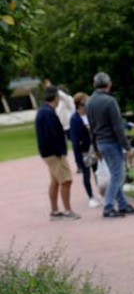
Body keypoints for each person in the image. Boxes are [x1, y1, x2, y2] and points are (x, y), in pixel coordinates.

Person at [86, 72, 134, 219]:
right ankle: (108, 206)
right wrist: (127, 147)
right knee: (118, 175)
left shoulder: (90, 102)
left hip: (100, 141)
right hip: (111, 142)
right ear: (109, 84)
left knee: (115, 174)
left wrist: (95, 147)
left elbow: (91, 127)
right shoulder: (110, 101)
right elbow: (117, 127)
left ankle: (122, 204)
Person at [36, 86, 79, 221]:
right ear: (56, 98)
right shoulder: (48, 113)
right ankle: (67, 210)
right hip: (54, 153)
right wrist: (59, 151)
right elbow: (52, 134)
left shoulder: (43, 111)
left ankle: (55, 211)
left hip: (47, 152)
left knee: (55, 181)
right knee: (66, 180)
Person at [69, 92, 101, 208]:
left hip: (95, 148)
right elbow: (75, 140)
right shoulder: (74, 119)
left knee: (98, 172)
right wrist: (78, 159)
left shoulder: (90, 115)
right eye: (85, 102)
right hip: (84, 151)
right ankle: (91, 197)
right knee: (87, 174)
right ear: (80, 104)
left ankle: (101, 192)